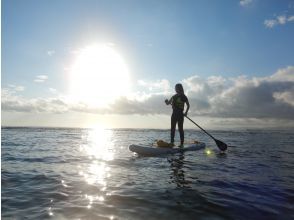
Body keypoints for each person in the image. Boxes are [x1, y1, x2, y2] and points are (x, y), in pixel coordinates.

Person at [165, 83, 190, 148]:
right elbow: (168, 103)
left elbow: (188, 105)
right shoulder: (174, 96)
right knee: (172, 129)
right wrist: (166, 101)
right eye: (175, 88)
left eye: (176, 88)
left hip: (180, 115)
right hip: (174, 114)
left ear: (180, 88)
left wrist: (186, 112)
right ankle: (172, 143)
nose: (175, 89)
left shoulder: (183, 96)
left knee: (180, 129)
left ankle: (181, 144)